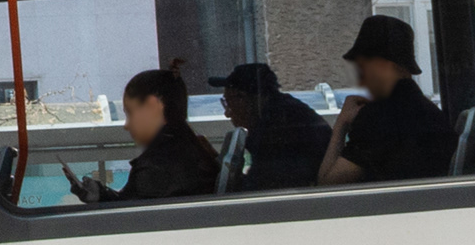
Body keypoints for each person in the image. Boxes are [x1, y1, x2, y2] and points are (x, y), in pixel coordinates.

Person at [323, 17, 454, 184]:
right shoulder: (428, 110)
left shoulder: (379, 117)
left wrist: (341, 125)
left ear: (386, 65)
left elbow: (327, 185)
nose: (360, 77)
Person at [65, 67, 214, 206]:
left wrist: (102, 198)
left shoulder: (156, 168)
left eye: (130, 113)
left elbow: (131, 219)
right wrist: (101, 195)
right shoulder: (190, 148)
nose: (127, 125)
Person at [209, 63, 330, 193]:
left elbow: (263, 188)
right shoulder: (284, 111)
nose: (227, 113)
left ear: (243, 99)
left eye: (228, 103)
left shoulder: (278, 129)